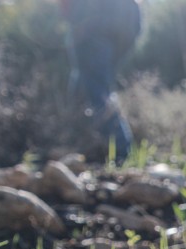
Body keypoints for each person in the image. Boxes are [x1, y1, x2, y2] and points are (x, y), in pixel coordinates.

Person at [60, 0, 141, 162]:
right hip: (119, 26)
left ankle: (122, 151)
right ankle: (80, 148)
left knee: (98, 92)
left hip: (96, 31)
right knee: (83, 89)